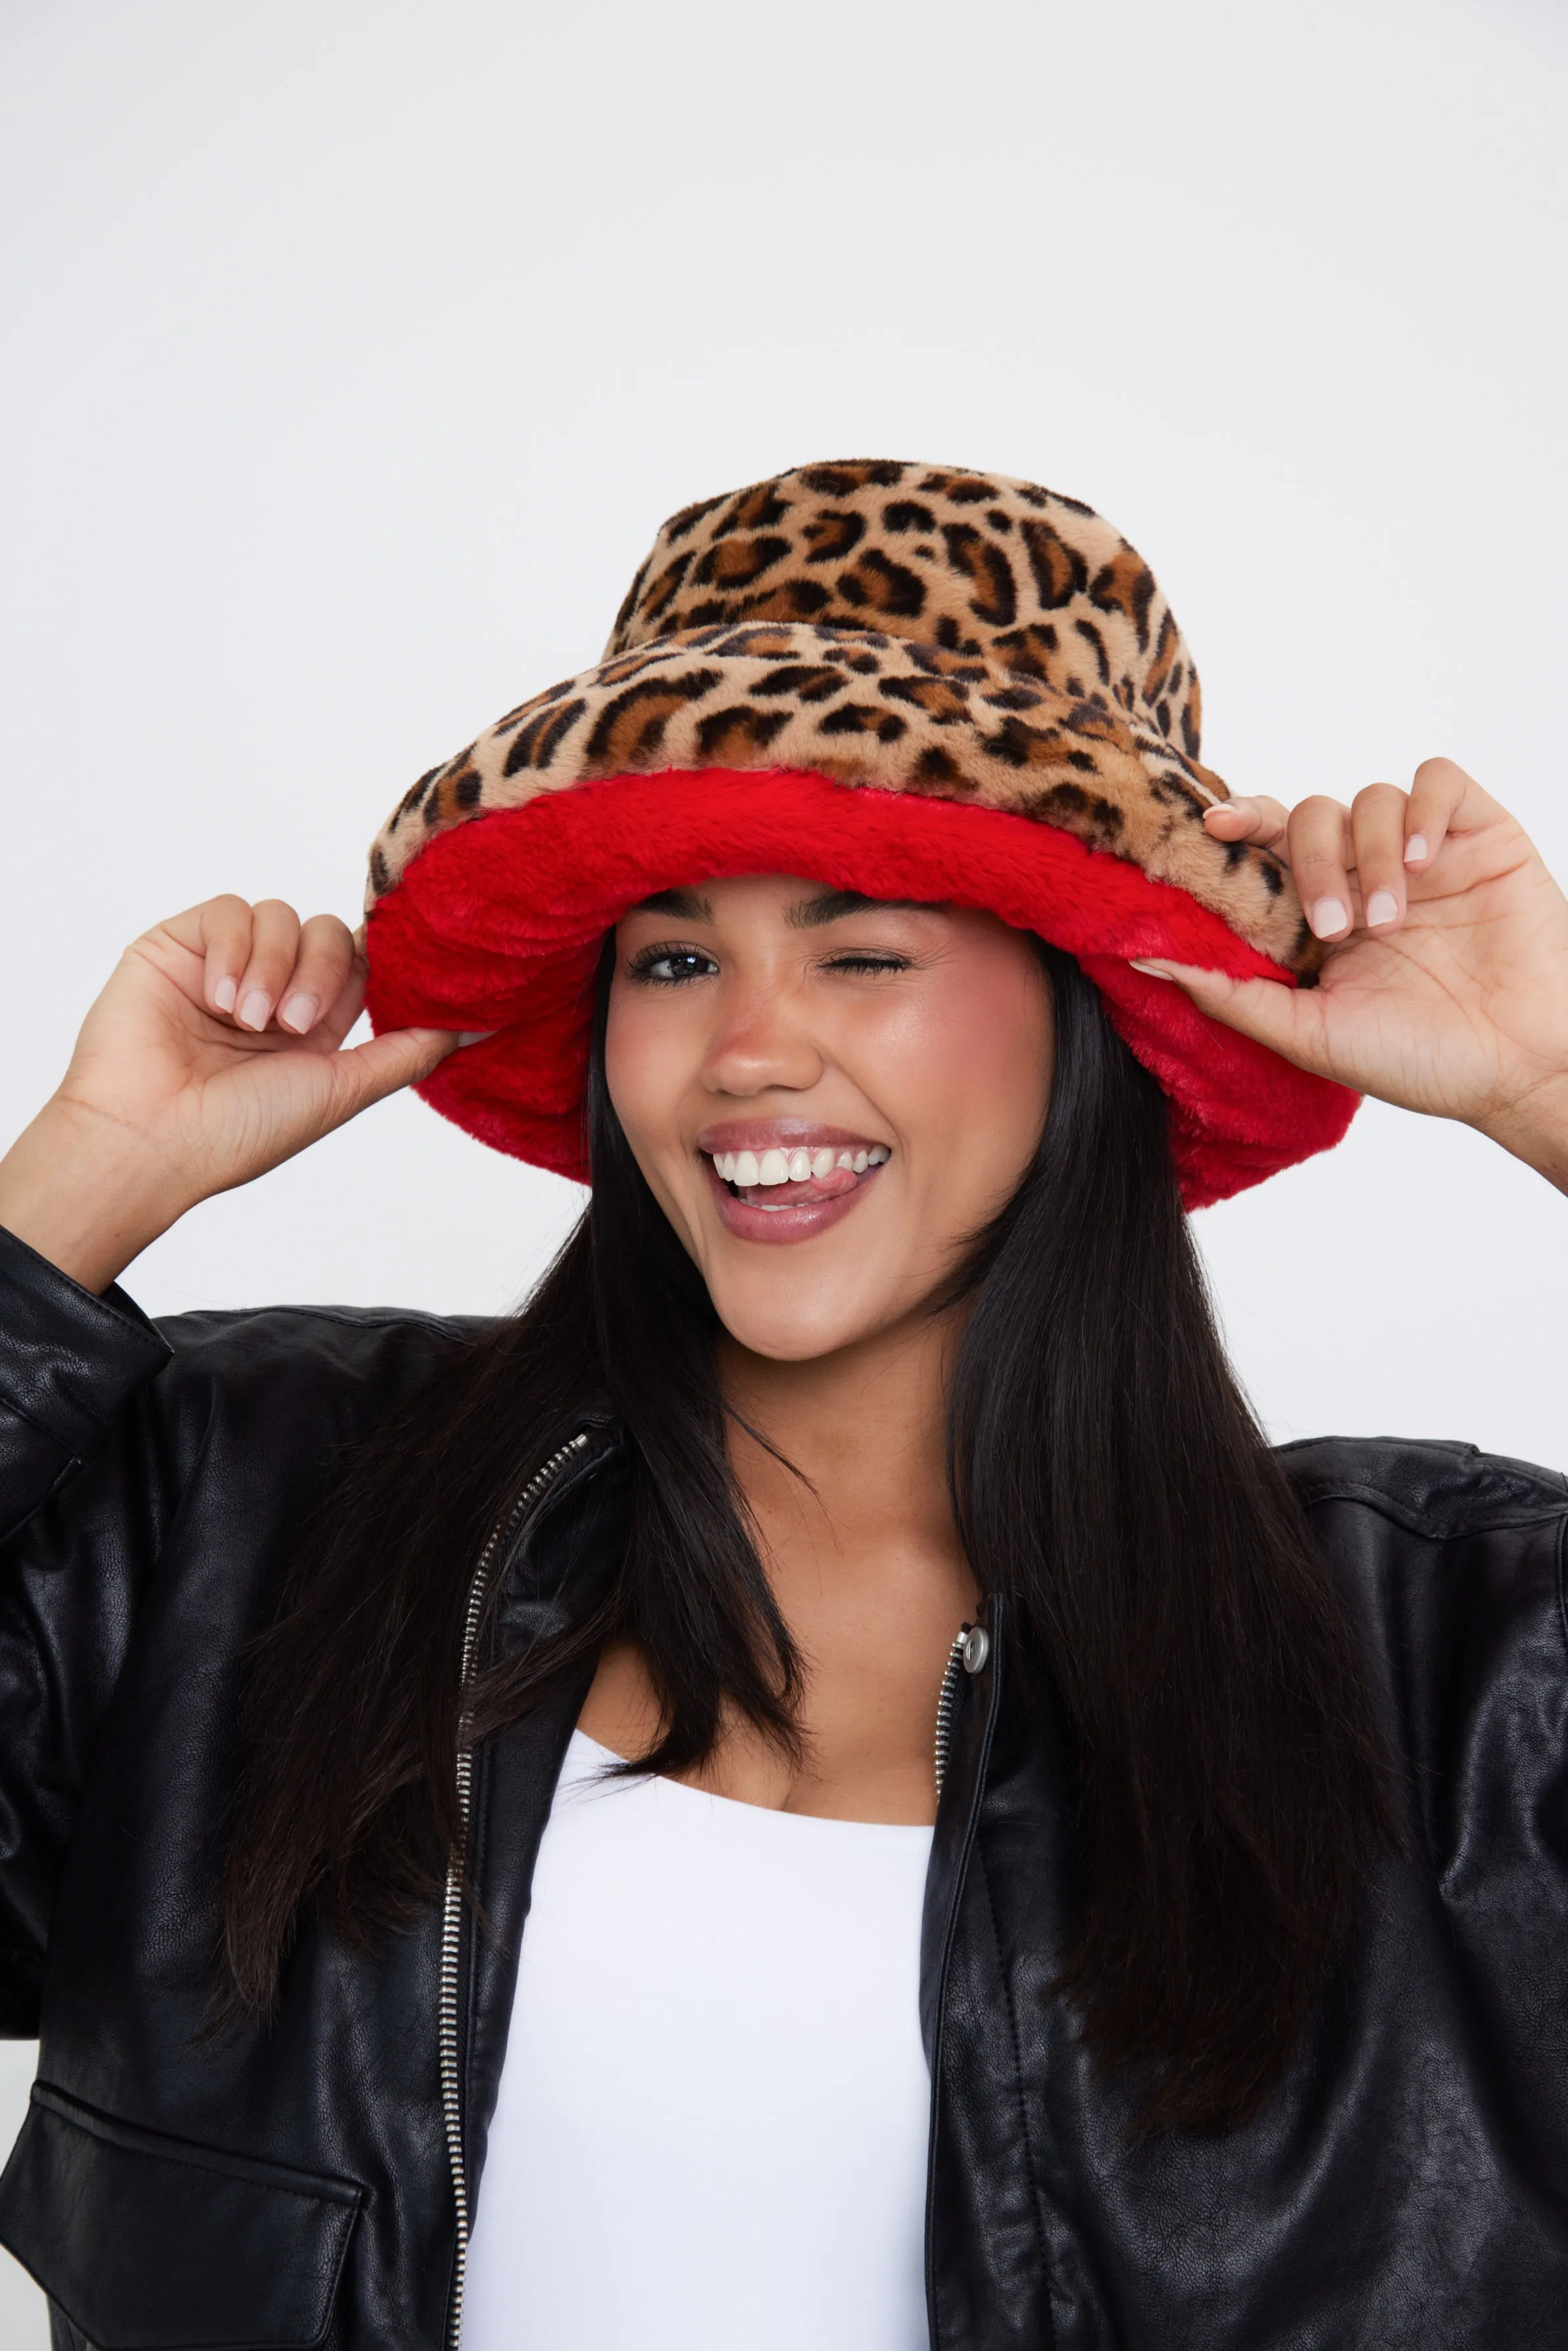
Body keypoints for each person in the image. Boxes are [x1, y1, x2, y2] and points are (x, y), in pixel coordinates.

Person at [0, 460, 1565, 2351]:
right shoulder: (248, 1513)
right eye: (674, 955)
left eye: (861, 947)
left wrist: (1549, 1078)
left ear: (1087, 1008)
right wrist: (72, 1189)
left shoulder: (1452, 1672)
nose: (746, 1048)